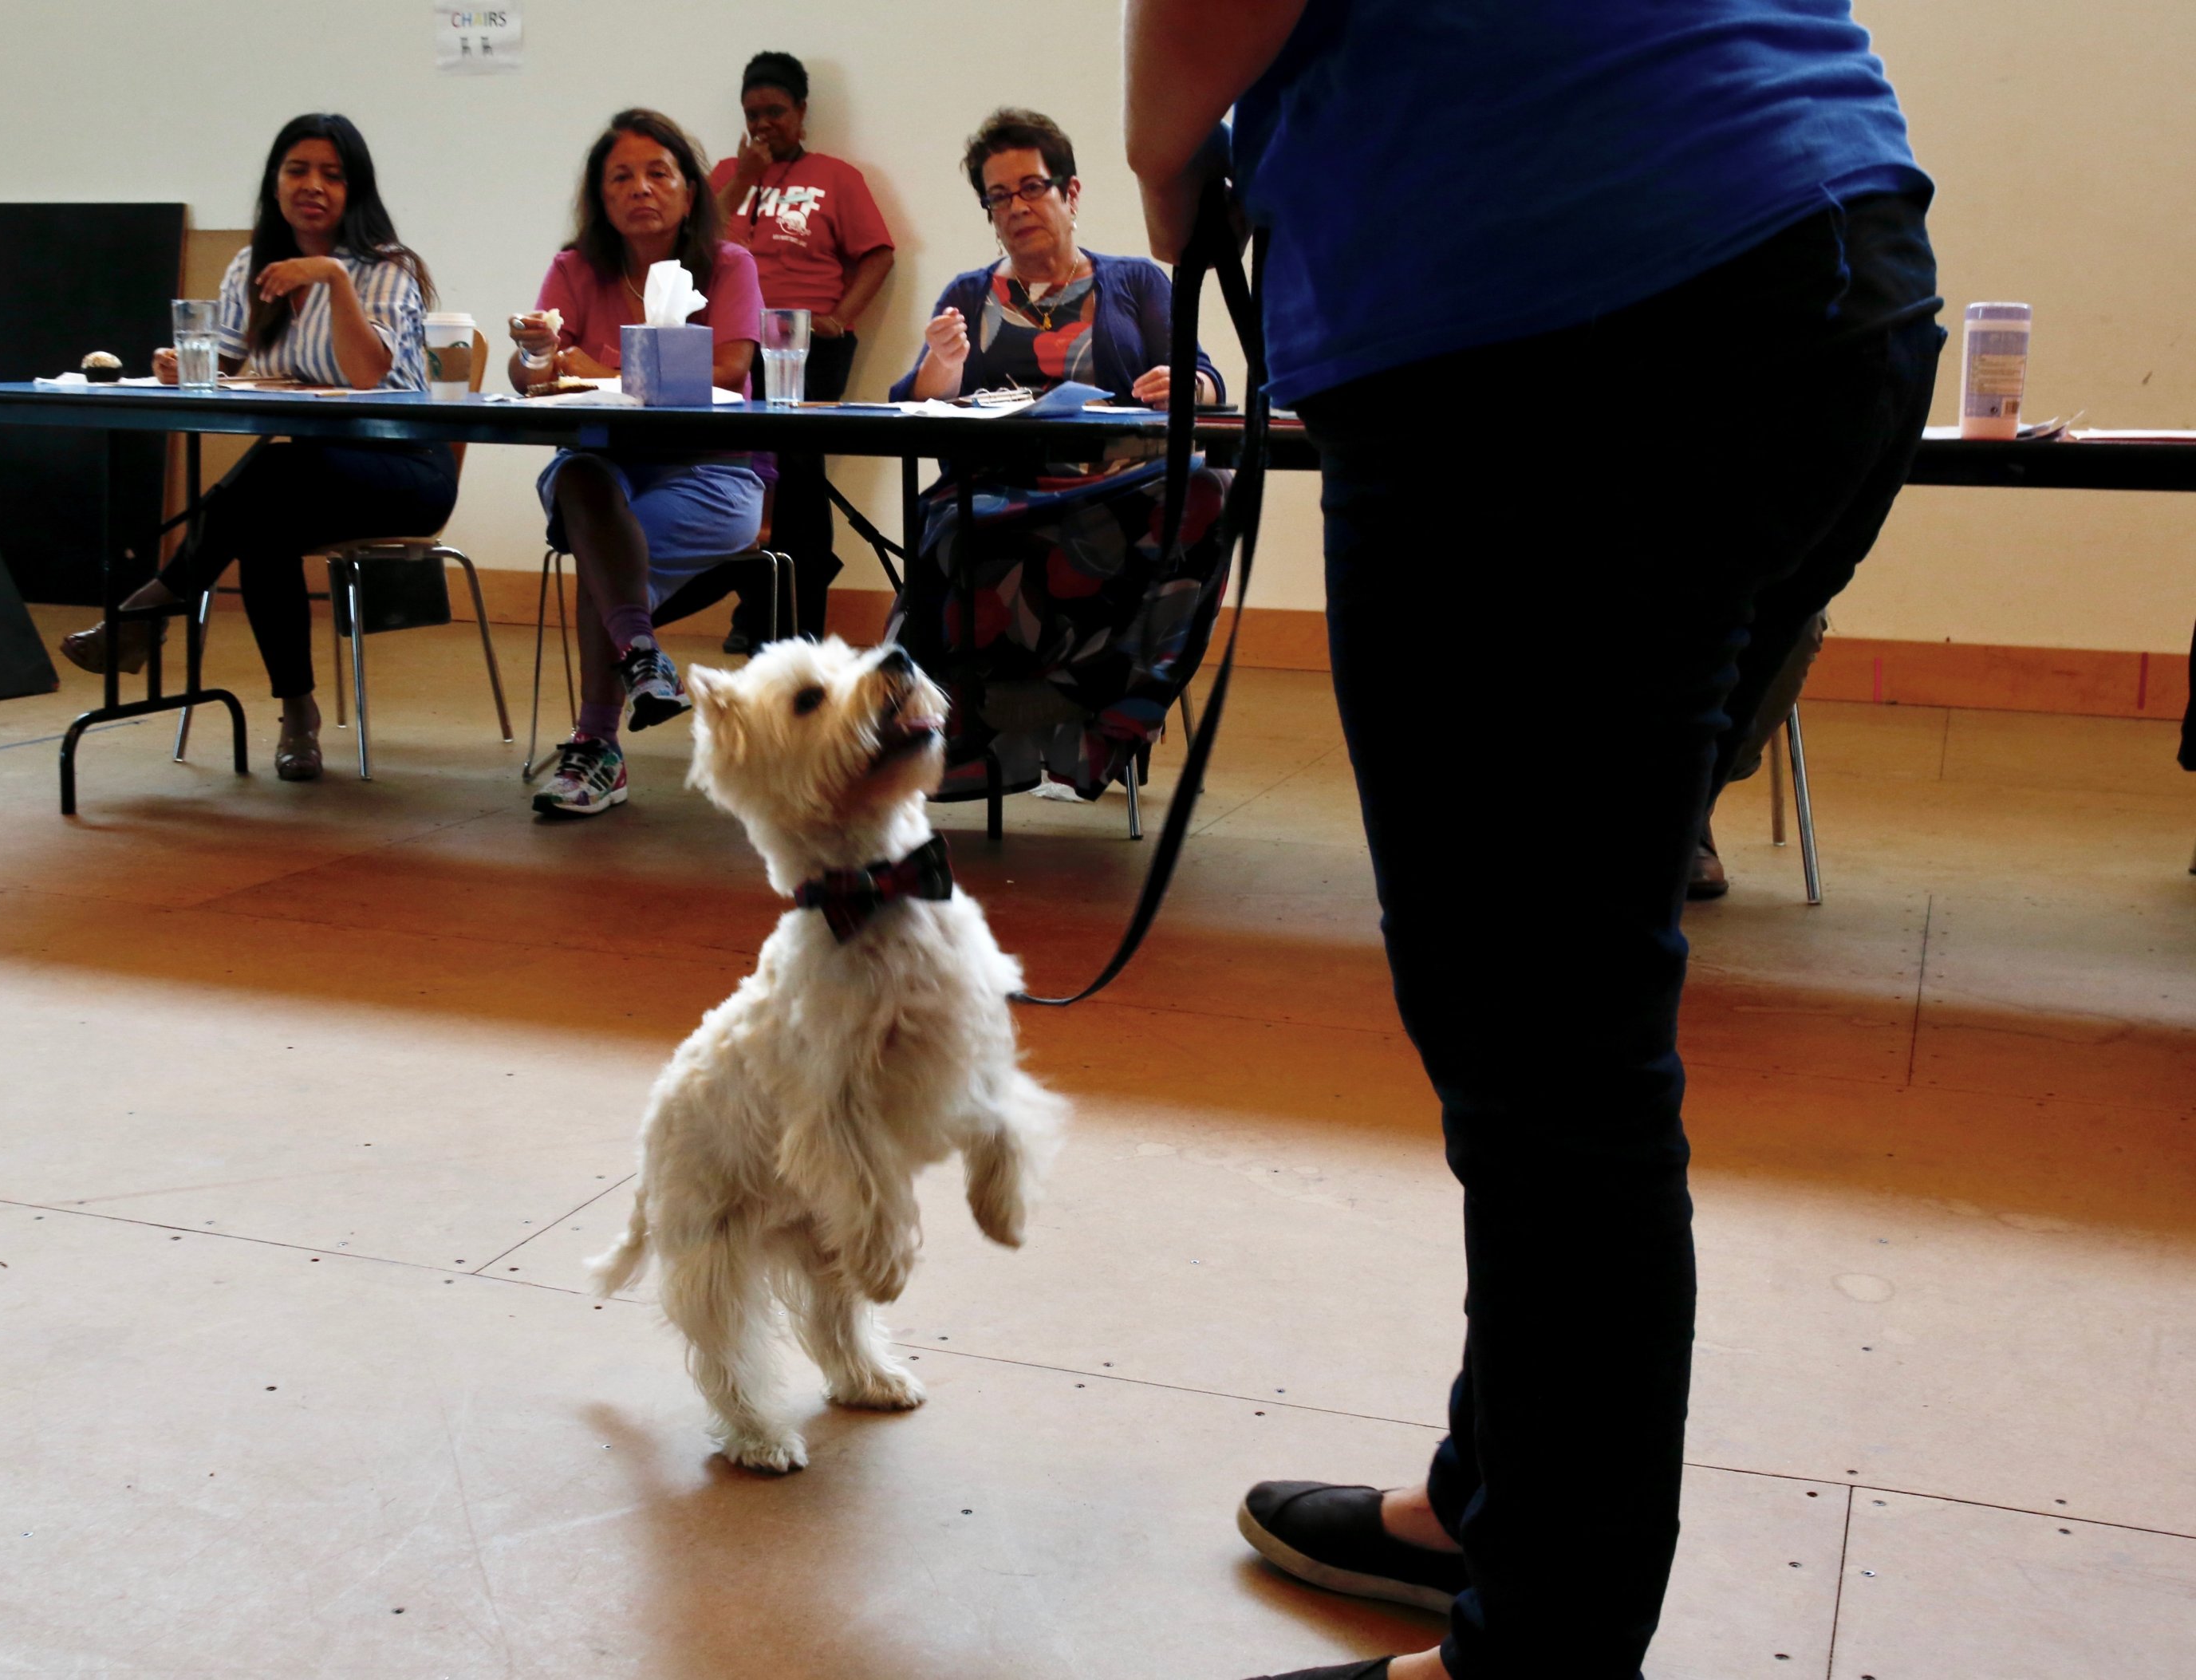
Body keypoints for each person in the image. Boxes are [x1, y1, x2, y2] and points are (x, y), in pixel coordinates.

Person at [1124, 6, 1942, 1679]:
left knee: (1551, 1054)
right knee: (1560, 983)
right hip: (1827, 259)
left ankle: (1542, 1654)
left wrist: (1166, 160)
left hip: (1556, 320)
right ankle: (1494, 1501)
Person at [57, 113, 453, 782]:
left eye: (333, 174)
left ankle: (151, 608)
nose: (313, 186)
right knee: (264, 522)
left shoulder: (387, 270)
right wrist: (186, 366)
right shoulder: (252, 265)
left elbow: (365, 374)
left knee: (273, 471)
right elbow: (230, 366)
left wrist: (331, 277)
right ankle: (297, 718)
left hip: (404, 469)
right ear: (275, 183)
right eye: (298, 170)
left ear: (357, 190)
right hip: (307, 476)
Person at [888, 108, 1228, 800]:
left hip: (1117, 489)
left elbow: (1207, 379)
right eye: (999, 197)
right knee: (948, 528)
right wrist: (942, 371)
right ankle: (983, 733)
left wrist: (1185, 382)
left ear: (1071, 194)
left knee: (1211, 489)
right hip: (998, 492)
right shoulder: (969, 295)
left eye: (1032, 188)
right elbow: (916, 407)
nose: (1017, 207)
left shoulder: (1135, 283)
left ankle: (1109, 719)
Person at [510, 108, 766, 819]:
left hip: (710, 475)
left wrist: (600, 366)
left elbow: (729, 367)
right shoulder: (573, 269)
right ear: (600, 197)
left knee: (602, 555)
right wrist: (532, 351)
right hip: (605, 470)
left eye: (659, 173)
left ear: (689, 191)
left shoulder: (730, 266)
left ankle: (596, 747)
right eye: (620, 177)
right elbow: (535, 375)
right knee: (584, 480)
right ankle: (643, 659)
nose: (641, 189)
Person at [701, 50, 897, 649]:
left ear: (802, 111)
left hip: (807, 345)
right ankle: (754, 607)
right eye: (753, 113)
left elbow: (879, 253)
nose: (764, 124)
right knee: (733, 474)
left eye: (776, 112)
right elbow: (697, 245)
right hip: (734, 344)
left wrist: (841, 317)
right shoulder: (724, 176)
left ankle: (799, 616)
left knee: (799, 478)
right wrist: (742, 177)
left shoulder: (837, 177)